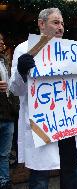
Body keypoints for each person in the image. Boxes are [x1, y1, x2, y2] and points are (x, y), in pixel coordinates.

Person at [9, 8, 77, 189]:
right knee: (40, 179)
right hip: (42, 126)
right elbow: (15, 89)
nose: (61, 27)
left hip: (68, 125)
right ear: (41, 24)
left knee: (72, 172)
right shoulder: (24, 49)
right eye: (56, 22)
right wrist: (21, 70)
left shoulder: (71, 50)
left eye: (62, 23)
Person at [0, 33, 19, 189]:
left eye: (2, 39)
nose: (1, 42)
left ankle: (4, 181)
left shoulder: (5, 62)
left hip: (7, 115)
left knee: (5, 154)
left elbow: (11, 88)